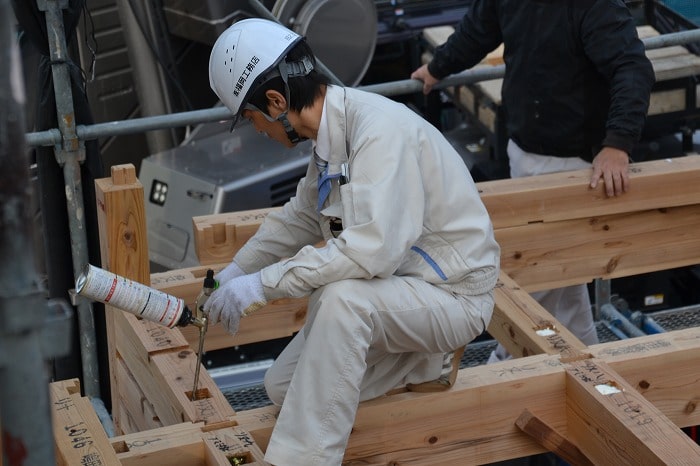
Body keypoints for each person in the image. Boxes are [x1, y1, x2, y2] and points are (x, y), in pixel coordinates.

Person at [204, 18, 500, 466]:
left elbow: (368, 254)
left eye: (252, 119)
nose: (258, 130)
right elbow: (300, 217)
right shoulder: (329, 140)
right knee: (282, 387)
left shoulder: (377, 133)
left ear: (276, 101)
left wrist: (262, 285)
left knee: (343, 299)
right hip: (404, 291)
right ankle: (429, 362)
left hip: (453, 293)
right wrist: (236, 273)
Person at [411, 0, 655, 363]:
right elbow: (480, 29)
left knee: (538, 280)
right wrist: (437, 67)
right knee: (564, 282)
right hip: (524, 150)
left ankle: (503, 365)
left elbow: (632, 67)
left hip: (573, 167)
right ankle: (587, 355)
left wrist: (617, 144)